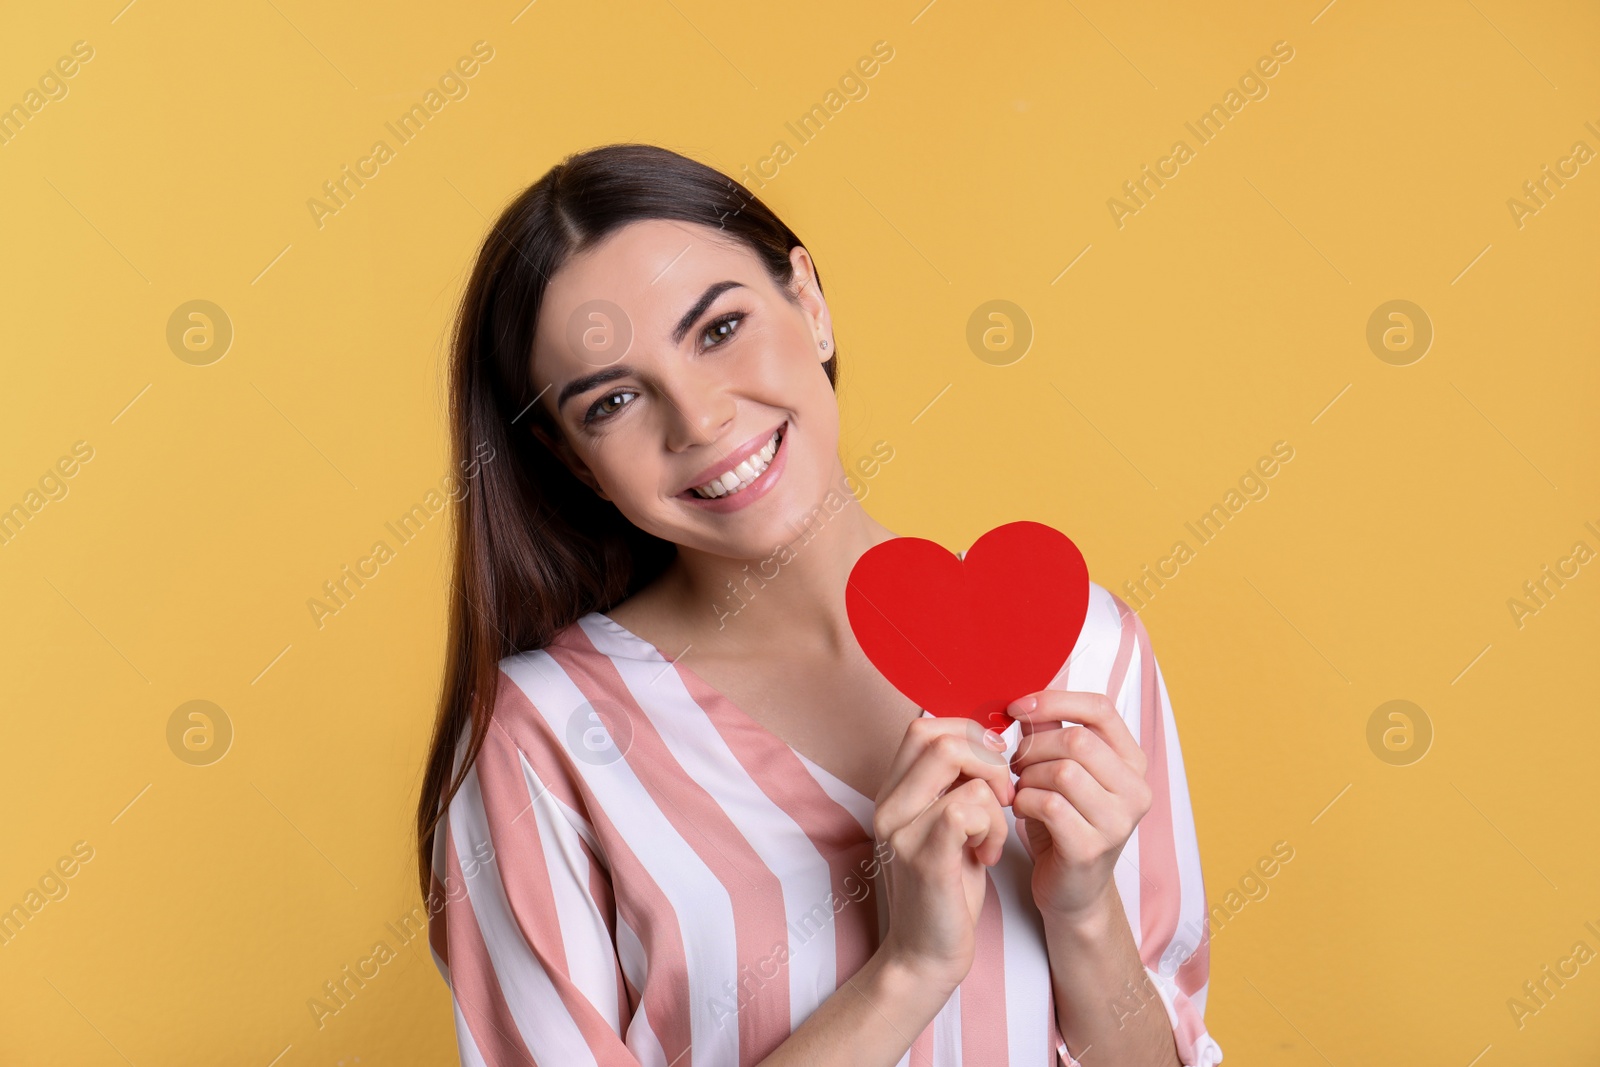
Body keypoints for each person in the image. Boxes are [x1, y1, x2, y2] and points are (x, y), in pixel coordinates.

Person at [414, 143, 1222, 1066]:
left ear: (810, 300)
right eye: (615, 400)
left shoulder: (1090, 651)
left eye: (719, 329)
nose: (702, 419)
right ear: (573, 461)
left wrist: (1081, 912)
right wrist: (910, 969)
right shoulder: (540, 741)